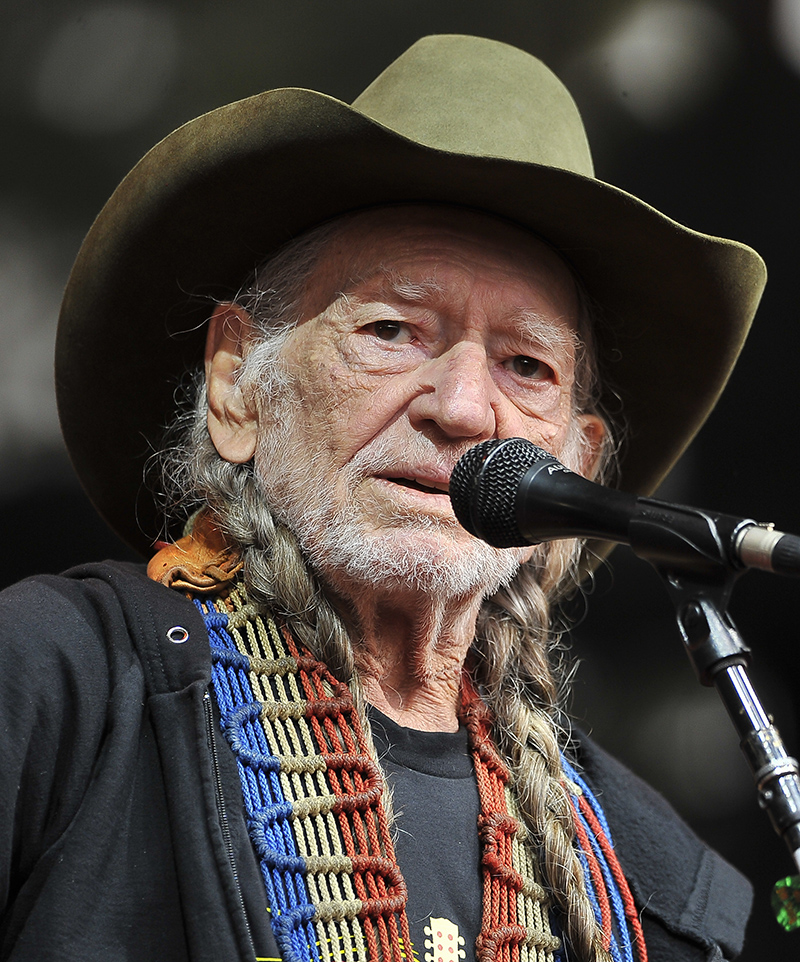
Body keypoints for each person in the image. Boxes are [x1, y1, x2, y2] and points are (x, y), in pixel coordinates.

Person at [0, 34, 767, 962]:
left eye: (526, 365)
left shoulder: (652, 886)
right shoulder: (55, 687)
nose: (460, 408)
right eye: (395, 329)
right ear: (239, 386)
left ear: (578, 463)